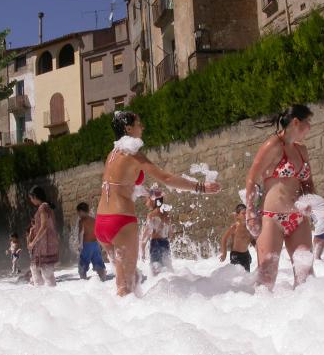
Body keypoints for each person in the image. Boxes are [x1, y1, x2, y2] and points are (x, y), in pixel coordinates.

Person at [95, 111, 221, 296]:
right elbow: (167, 178)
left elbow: (119, 187)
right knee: (126, 288)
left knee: (125, 283)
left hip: (102, 223)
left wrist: (147, 192)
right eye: (139, 123)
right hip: (120, 222)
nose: (143, 127)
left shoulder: (112, 155)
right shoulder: (133, 154)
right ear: (128, 128)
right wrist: (200, 187)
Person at [245, 104, 315, 290]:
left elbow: (308, 182)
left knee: (305, 274)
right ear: (296, 122)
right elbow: (252, 179)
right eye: (308, 122)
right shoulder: (272, 146)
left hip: (298, 219)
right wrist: (250, 212)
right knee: (267, 276)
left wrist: (311, 202)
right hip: (272, 219)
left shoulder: (302, 150)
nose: (310, 127)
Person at [294, 194, 324, 266]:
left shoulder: (301, 199)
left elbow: (305, 209)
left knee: (316, 254)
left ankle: (319, 270)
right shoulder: (316, 196)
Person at [27, 186, 59, 287]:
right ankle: (44, 294)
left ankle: (44, 294)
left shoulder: (42, 207)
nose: (31, 201)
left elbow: (44, 226)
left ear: (35, 197)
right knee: (37, 268)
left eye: (31, 198)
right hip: (48, 242)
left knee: (45, 272)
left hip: (45, 244)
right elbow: (49, 225)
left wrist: (33, 242)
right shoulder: (47, 206)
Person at [140, 187, 174, 275]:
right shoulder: (166, 214)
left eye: (147, 199)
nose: (146, 202)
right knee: (167, 267)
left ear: (153, 200)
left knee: (155, 270)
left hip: (155, 244)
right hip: (165, 242)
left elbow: (147, 232)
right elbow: (171, 233)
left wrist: (142, 247)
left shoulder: (151, 215)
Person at [76, 202, 106, 281]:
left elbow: (81, 233)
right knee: (98, 261)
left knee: (83, 263)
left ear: (81, 211)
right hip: (95, 244)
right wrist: (100, 244)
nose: (78, 215)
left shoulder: (82, 221)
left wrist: (80, 244)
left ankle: (83, 279)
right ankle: (102, 277)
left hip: (86, 245)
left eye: (78, 213)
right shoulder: (94, 220)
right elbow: (98, 232)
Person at [219, 204, 253, 272]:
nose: (246, 215)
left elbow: (251, 239)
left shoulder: (249, 226)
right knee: (237, 277)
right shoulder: (235, 227)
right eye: (243, 213)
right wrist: (224, 253)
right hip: (236, 255)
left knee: (246, 276)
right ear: (237, 216)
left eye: (247, 213)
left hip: (246, 254)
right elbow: (224, 239)